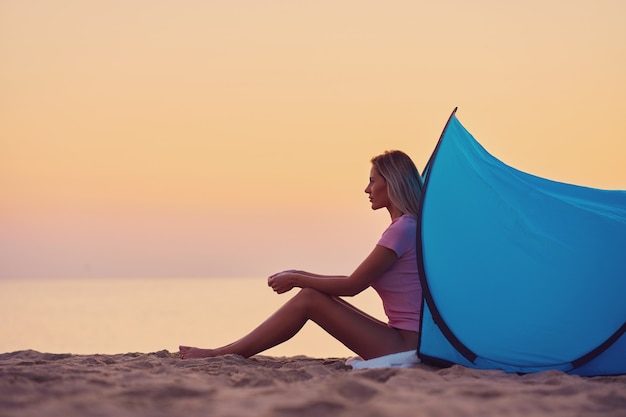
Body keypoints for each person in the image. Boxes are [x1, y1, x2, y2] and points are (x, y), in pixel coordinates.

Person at [179, 150, 423, 360]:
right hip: (404, 339)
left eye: (372, 181)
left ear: (391, 183)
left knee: (309, 300)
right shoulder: (409, 226)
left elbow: (352, 285)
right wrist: (298, 274)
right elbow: (354, 278)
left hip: (405, 345)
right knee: (311, 295)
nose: (367, 189)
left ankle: (222, 353)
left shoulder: (402, 229)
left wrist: (297, 280)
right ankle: (226, 351)